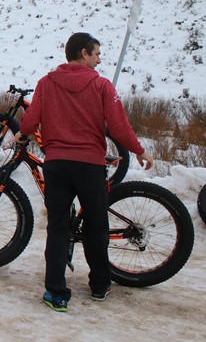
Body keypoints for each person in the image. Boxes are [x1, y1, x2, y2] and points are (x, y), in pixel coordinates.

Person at [15, 32, 154, 312]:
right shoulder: (101, 85)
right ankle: (99, 285)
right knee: (96, 226)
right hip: (90, 166)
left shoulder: (46, 82)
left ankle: (56, 292)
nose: (99, 60)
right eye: (97, 54)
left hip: (57, 165)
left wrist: (23, 134)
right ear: (83, 53)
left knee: (57, 228)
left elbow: (31, 120)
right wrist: (139, 150)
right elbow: (118, 127)